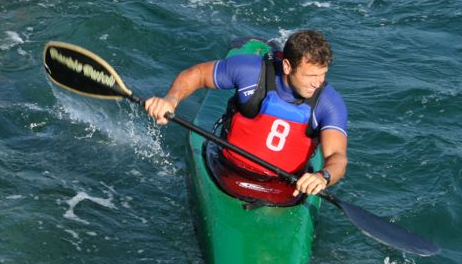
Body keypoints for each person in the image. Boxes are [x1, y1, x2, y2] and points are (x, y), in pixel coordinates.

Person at [144, 30, 348, 205]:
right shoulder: (250, 72)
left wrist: (323, 176)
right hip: (226, 168)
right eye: (311, 76)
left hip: (286, 186)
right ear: (286, 66)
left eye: (322, 75)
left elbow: (337, 156)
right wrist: (171, 99)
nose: (318, 83)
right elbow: (197, 74)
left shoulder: (329, 102)